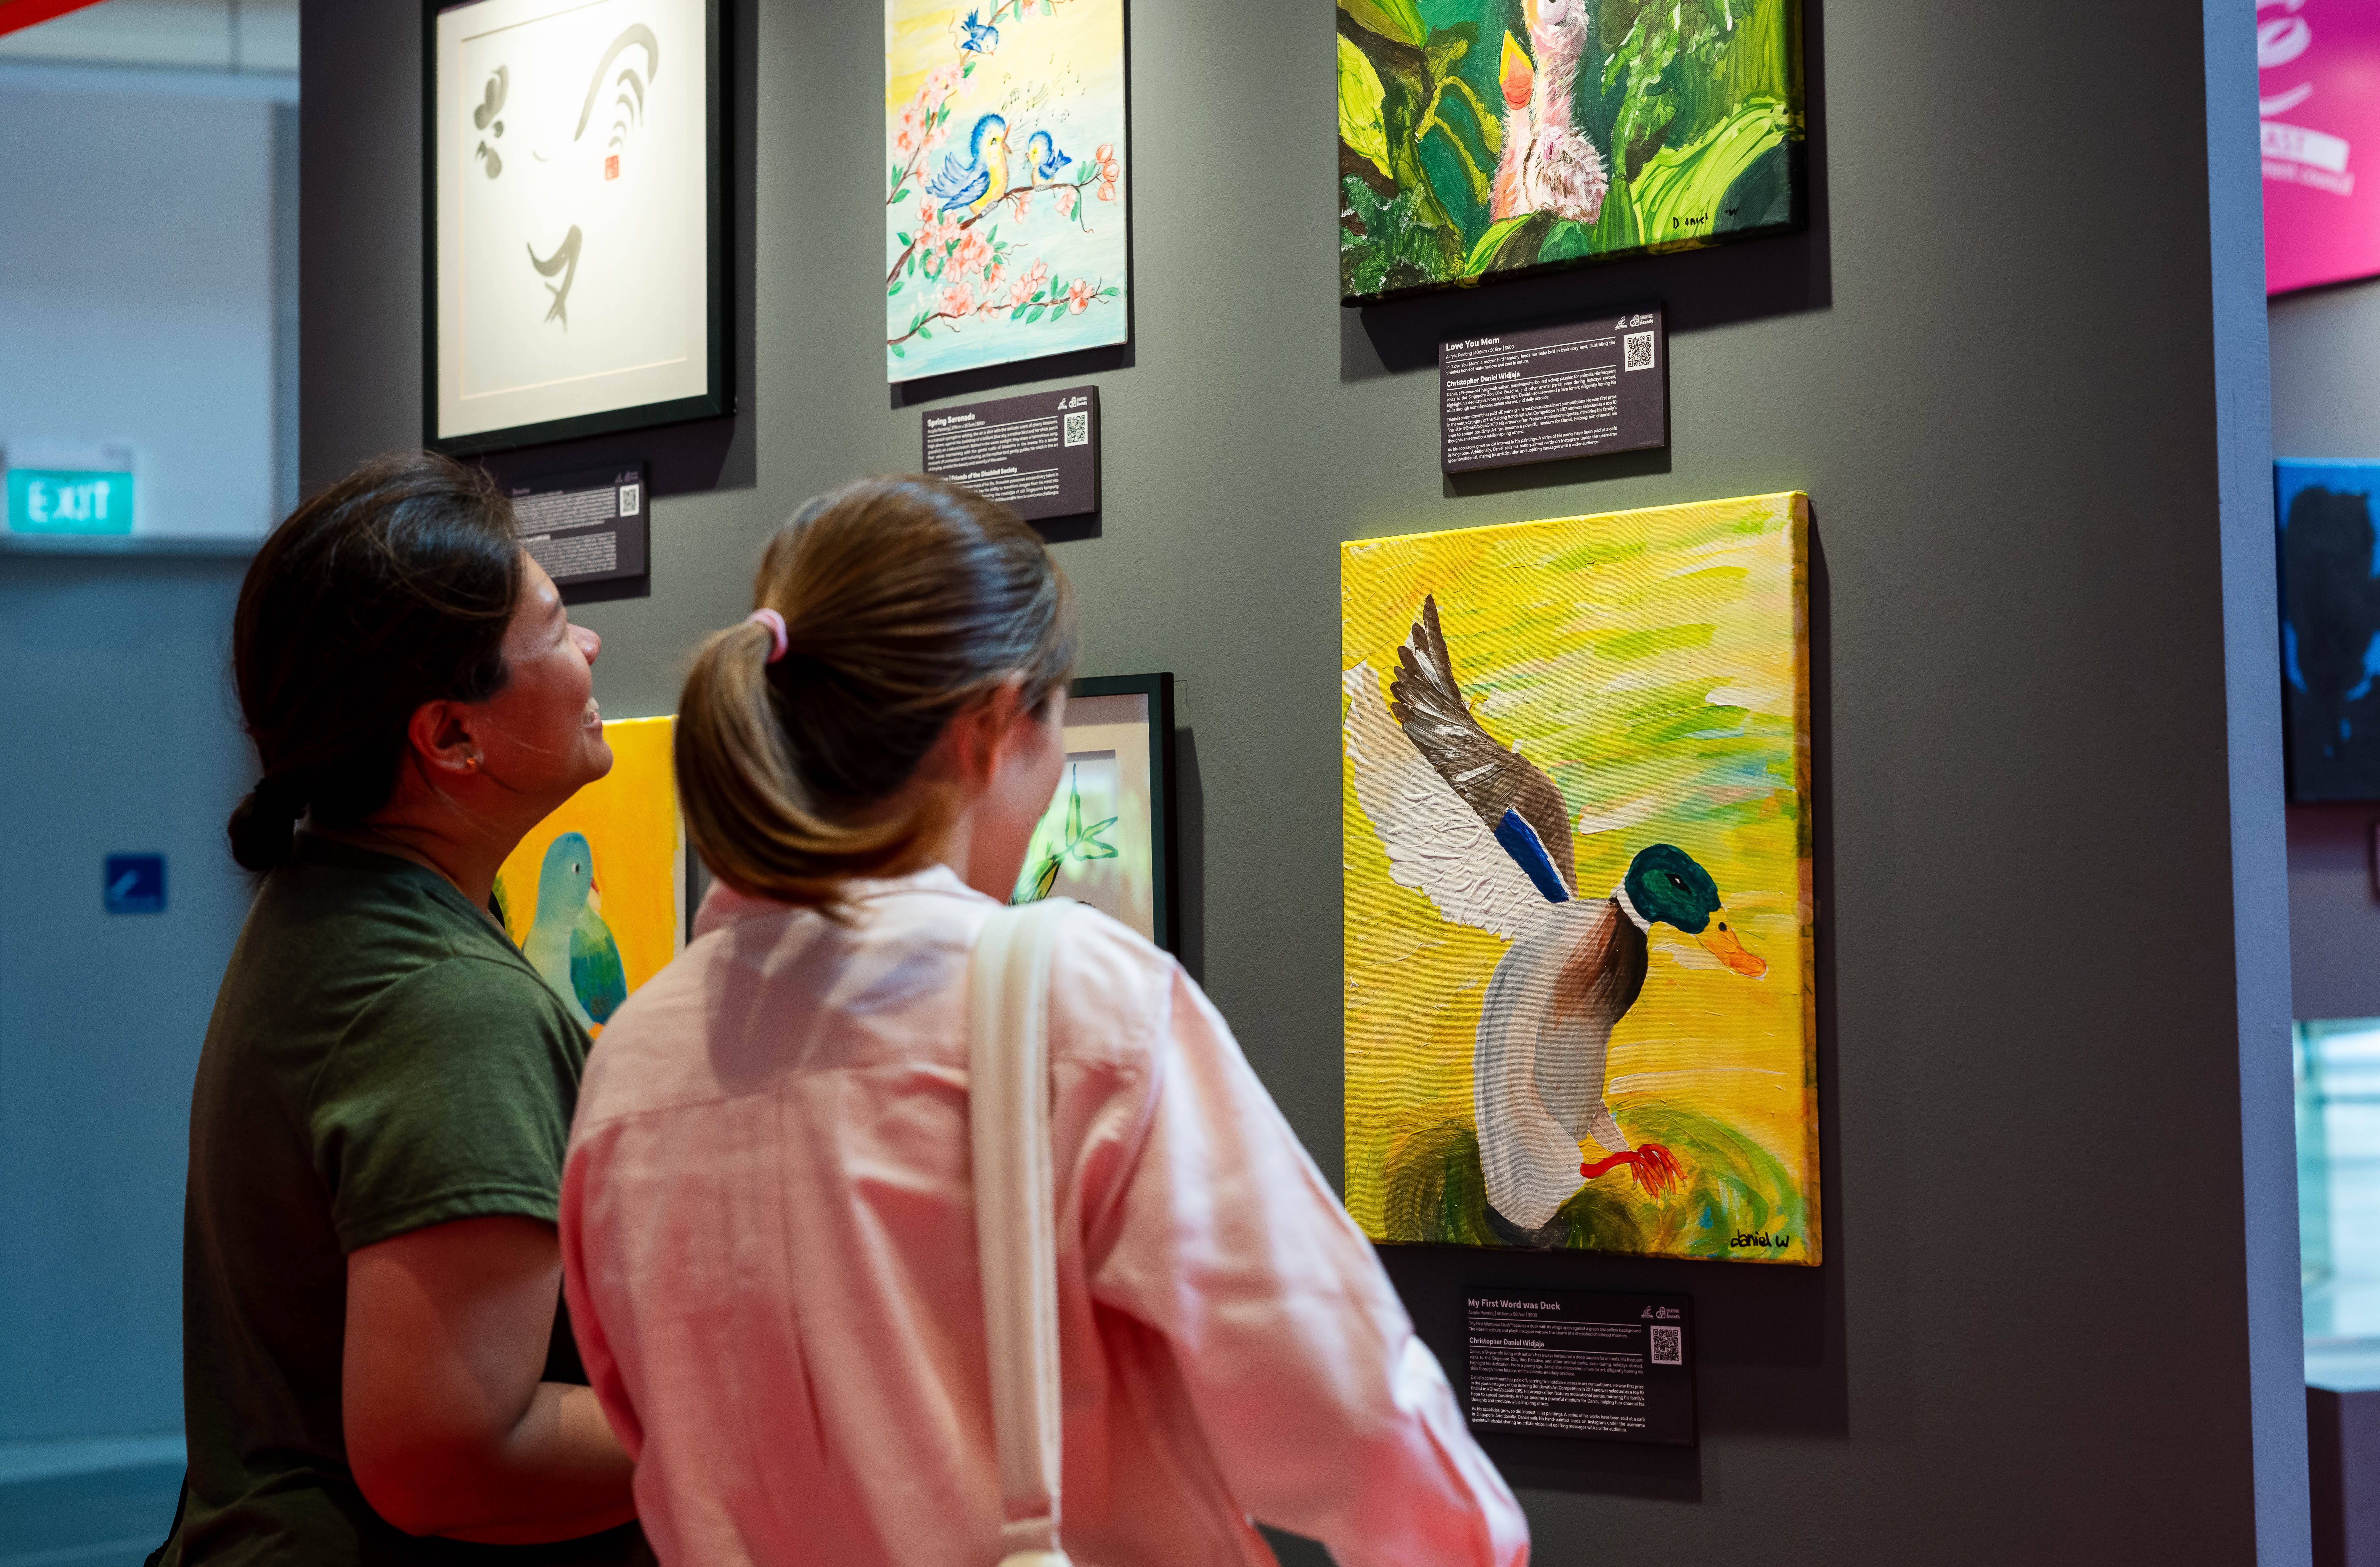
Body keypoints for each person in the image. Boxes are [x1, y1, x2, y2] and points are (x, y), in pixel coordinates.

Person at [559, 474, 1528, 1566]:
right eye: (1055, 722)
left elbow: (645, 1430)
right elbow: (1349, 1419)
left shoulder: (631, 1062)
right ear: (988, 732)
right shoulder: (1071, 997)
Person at [158, 452, 647, 1564]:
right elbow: (455, 1461)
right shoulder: (444, 1006)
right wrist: (772, 1408)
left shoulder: (328, 900)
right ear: (450, 737)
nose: (590, 647)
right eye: (559, 625)